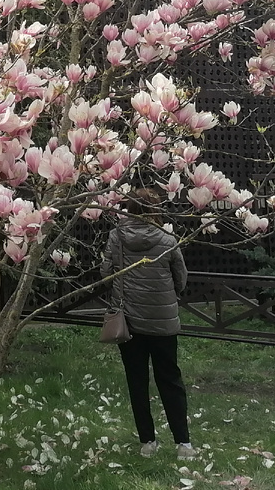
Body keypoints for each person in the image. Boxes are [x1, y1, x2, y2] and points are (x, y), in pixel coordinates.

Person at [101, 195, 194, 460]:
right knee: (170, 380)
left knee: (137, 381)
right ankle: (183, 444)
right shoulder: (167, 239)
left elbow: (106, 273)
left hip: (129, 322)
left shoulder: (117, 237)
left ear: (128, 211)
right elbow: (181, 278)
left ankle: (148, 441)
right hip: (162, 321)